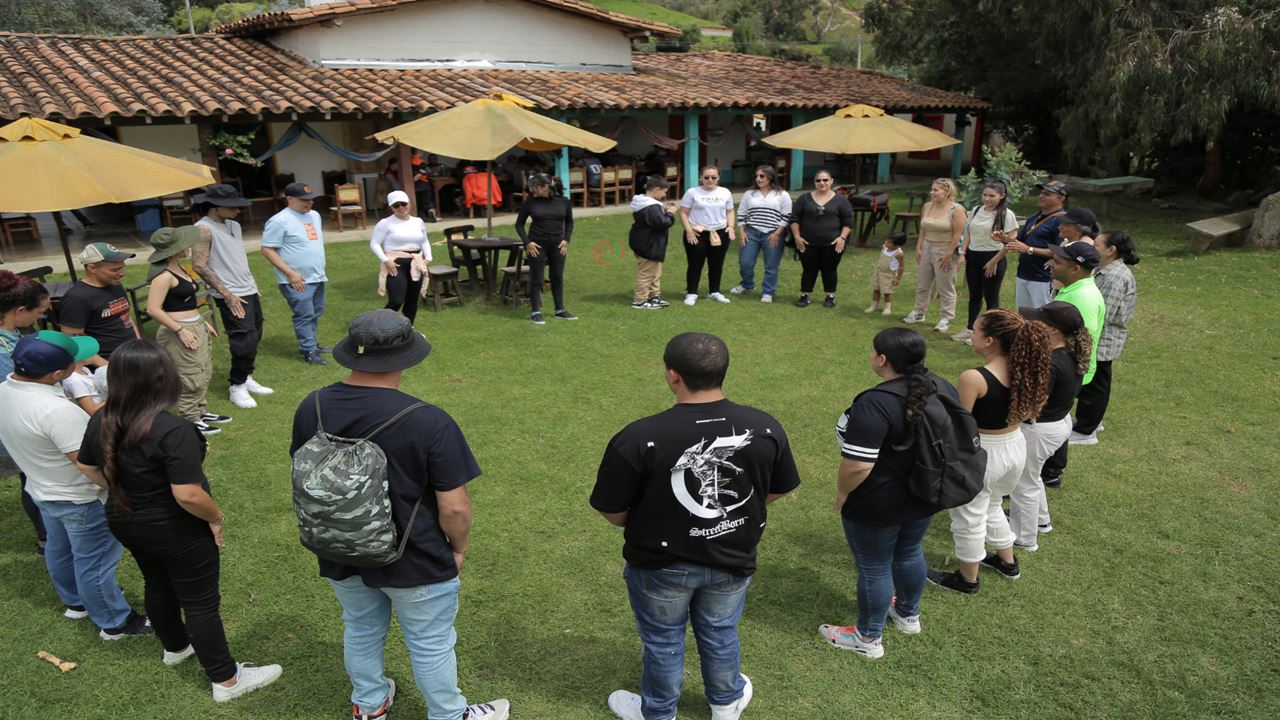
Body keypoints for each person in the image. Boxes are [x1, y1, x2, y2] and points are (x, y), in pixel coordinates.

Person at [289, 310, 509, 720]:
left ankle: (370, 706)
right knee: (429, 641)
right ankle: (449, 715)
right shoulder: (429, 420)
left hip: (339, 548)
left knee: (360, 628)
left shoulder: (311, 406)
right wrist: (457, 549)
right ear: (406, 358)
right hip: (417, 559)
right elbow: (455, 506)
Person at [591, 332, 800, 720]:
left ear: (673, 375)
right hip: (733, 556)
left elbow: (612, 510)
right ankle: (725, 703)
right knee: (720, 632)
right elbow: (774, 490)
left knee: (662, 640)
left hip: (659, 565)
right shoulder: (764, 426)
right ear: (723, 371)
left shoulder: (639, 436)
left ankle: (659, 712)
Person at [75, 339, 283, 702]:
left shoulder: (101, 419)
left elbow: (86, 465)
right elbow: (187, 494)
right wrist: (216, 518)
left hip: (125, 520)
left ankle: (175, 648)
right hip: (174, 527)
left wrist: (124, 488)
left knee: (156, 581)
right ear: (163, 378)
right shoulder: (174, 430)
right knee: (201, 602)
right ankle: (227, 680)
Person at [0, 330, 150, 639]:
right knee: (95, 562)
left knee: (59, 547)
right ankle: (115, 622)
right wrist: (118, 491)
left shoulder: (5, 389)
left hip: (42, 489)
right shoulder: (59, 412)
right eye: (72, 360)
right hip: (78, 498)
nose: (78, 361)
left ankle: (76, 603)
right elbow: (87, 462)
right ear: (56, 374)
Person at [819, 328, 948, 659]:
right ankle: (907, 615)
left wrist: (842, 495)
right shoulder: (940, 386)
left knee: (874, 566)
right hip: (925, 493)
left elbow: (857, 466)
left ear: (882, 360)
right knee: (909, 552)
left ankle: (867, 638)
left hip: (878, 501)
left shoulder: (875, 403)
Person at [926, 309, 1053, 593]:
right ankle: (1007, 561)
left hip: (984, 453)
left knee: (968, 515)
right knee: (992, 503)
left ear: (990, 341)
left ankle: (967, 578)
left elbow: (960, 424)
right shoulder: (1027, 369)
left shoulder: (974, 377)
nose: (972, 333)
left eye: (975, 329)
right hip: (1015, 447)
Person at [1008, 302, 1089, 551]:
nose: (1032, 324)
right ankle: (1041, 521)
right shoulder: (1069, 353)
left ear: (1053, 331)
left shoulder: (1052, 364)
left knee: (1024, 482)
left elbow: (1032, 405)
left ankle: (1024, 538)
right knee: (1032, 476)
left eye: (1039, 321)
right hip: (1057, 423)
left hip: (1040, 430)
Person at [192, 183, 274, 411]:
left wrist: (253, 283)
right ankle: (236, 385)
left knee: (256, 332)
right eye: (232, 207)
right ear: (216, 206)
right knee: (243, 339)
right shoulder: (203, 229)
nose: (238, 211)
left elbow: (237, 258)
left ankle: (247, 376)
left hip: (247, 288)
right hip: (229, 293)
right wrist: (227, 294)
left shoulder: (234, 225)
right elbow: (198, 265)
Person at [146, 226, 229, 437]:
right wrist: (181, 330)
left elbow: (187, 303)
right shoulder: (163, 276)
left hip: (194, 325)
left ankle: (201, 410)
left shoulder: (180, 268)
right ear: (174, 250)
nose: (189, 247)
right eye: (184, 244)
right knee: (189, 374)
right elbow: (153, 309)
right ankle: (190, 417)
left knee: (203, 369)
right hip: (179, 331)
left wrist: (201, 322)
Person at [1037, 243, 1106, 489]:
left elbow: (1078, 339)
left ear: (1075, 267)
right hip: (1065, 367)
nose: (1050, 264)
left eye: (1057, 261)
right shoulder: (1074, 288)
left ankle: (1049, 471)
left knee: (1053, 416)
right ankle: (1051, 470)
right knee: (1059, 415)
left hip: (1066, 370)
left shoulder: (1082, 297)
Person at [1069, 231, 1139, 446]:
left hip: (1103, 340)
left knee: (1095, 386)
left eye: (1096, 244)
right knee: (1092, 383)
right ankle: (1090, 420)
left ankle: (1086, 430)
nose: (1092, 247)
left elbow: (1103, 313)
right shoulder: (1103, 270)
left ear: (1111, 250)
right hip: (1098, 337)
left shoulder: (1113, 277)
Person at [0, 269, 52, 554]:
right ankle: (48, 538)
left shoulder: (10, 334)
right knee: (32, 478)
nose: (40, 319)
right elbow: (13, 391)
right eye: (39, 313)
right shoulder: (2, 352)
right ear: (20, 311)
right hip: (13, 425)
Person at [261, 182, 329, 366]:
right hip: (296, 279)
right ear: (289, 199)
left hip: (317, 275)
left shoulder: (314, 216)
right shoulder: (279, 221)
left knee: (316, 311)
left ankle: (312, 343)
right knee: (304, 314)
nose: (310, 203)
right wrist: (290, 274)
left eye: (311, 199)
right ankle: (308, 350)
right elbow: (267, 249)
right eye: (304, 200)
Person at [953, 180, 1020, 343]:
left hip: (993, 256)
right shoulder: (976, 210)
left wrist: (994, 261)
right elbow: (968, 231)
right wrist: (963, 252)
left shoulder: (1006, 214)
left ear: (1002, 196)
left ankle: (991, 334)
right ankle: (970, 329)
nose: (987, 199)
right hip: (974, 256)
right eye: (985, 195)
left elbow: (1011, 241)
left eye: (992, 196)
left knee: (991, 297)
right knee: (974, 295)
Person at [58, 242, 140, 362]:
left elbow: (126, 317)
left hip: (133, 355)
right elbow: (73, 340)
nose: (122, 273)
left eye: (122, 267)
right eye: (115, 270)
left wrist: (140, 345)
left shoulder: (114, 284)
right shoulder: (76, 298)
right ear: (92, 268)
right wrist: (105, 367)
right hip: (109, 363)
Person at [901, 178, 966, 331]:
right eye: (932, 189)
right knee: (923, 283)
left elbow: (958, 234)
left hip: (945, 248)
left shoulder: (956, 209)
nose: (932, 193)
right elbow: (923, 229)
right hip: (927, 246)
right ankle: (918, 312)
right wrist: (919, 247)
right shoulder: (927, 206)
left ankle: (946, 318)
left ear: (947, 191)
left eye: (936, 190)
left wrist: (949, 254)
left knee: (945, 286)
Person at [515, 173, 577, 325]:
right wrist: (527, 243)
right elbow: (519, 224)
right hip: (537, 245)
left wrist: (566, 240)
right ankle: (535, 311)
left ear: (545, 187)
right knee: (537, 278)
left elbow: (569, 223)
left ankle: (560, 310)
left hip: (558, 245)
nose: (533, 190)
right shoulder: (530, 202)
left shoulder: (564, 202)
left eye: (535, 188)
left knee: (557, 277)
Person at [790, 169, 853, 308]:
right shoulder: (804, 199)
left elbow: (848, 222)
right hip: (806, 243)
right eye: (818, 180)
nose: (822, 183)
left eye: (825, 180)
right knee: (808, 269)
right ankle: (805, 295)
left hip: (833, 243)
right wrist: (797, 237)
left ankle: (830, 296)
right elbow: (794, 219)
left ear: (831, 181)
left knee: (830, 269)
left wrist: (842, 238)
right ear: (814, 182)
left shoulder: (841, 200)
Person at [730, 165, 792, 303]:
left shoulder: (782, 194)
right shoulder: (749, 194)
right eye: (757, 176)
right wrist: (742, 232)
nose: (758, 179)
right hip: (751, 232)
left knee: (771, 265)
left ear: (770, 177)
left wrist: (777, 233)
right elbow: (741, 213)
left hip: (773, 233)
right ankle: (747, 284)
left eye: (762, 176)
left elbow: (786, 216)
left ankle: (768, 292)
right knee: (745, 262)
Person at [371, 190, 432, 324]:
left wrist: (428, 258)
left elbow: (424, 240)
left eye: (403, 204)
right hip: (396, 262)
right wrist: (386, 260)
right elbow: (374, 243)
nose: (401, 208)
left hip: (415, 262)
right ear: (391, 207)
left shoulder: (418, 221)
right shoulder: (385, 223)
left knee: (412, 300)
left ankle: (408, 329)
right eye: (396, 205)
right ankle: (379, 325)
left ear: (409, 203)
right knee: (396, 300)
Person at [1006, 180, 1068, 309]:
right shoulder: (1034, 217)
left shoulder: (1062, 220)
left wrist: (1029, 249)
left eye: (1047, 194)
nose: (1041, 196)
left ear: (1061, 198)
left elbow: (1059, 252)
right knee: (1022, 315)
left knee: (1041, 318)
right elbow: (1020, 243)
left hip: (1043, 277)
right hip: (1023, 273)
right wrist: (1004, 239)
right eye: (1041, 193)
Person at [679, 166, 736, 306]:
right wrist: (689, 230)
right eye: (706, 177)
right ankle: (692, 293)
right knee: (695, 264)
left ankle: (714, 292)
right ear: (701, 177)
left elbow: (730, 211)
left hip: (720, 233)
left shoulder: (725, 192)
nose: (710, 180)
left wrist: (730, 226)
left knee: (717, 264)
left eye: (713, 177)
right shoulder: (692, 192)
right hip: (698, 233)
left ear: (718, 178)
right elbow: (683, 212)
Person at [627, 175, 676, 310]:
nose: (665, 195)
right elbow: (662, 223)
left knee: (655, 272)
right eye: (664, 192)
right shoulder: (651, 206)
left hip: (647, 243)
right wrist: (670, 214)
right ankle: (640, 300)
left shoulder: (646, 204)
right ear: (656, 189)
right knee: (647, 273)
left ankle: (654, 295)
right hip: (648, 244)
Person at [865, 231, 907, 315]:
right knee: (876, 288)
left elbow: (901, 267)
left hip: (888, 274)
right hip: (878, 271)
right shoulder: (885, 248)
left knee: (887, 291)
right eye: (886, 241)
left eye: (889, 242)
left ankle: (887, 308)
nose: (886, 243)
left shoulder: (899, 253)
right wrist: (886, 245)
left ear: (897, 245)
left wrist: (898, 278)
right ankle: (874, 305)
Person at [409, 154, 440, 222]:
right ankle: (431, 212)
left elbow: (415, 177)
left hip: (416, 187)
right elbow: (421, 173)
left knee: (419, 204)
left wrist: (412, 181)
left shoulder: (408, 162)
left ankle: (422, 217)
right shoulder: (421, 162)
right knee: (426, 203)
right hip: (425, 185)